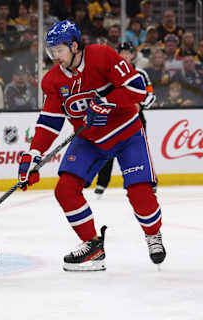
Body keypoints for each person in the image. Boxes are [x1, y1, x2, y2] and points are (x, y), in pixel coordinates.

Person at [18, 20, 165, 272]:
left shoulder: (102, 55)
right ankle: (93, 246)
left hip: (127, 133)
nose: (55, 56)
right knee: (65, 190)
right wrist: (34, 154)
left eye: (59, 50)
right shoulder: (53, 80)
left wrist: (105, 103)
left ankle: (153, 234)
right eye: (52, 51)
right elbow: (50, 121)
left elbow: (136, 89)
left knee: (140, 194)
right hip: (89, 140)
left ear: (74, 46)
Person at [94, 42, 156, 198]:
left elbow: (150, 95)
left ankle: (147, 182)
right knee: (108, 147)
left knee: (140, 149)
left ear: (132, 55)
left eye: (128, 53)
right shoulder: (110, 73)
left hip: (136, 118)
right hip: (114, 117)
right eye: (122, 53)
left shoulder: (140, 73)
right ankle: (102, 183)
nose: (125, 56)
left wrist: (141, 105)